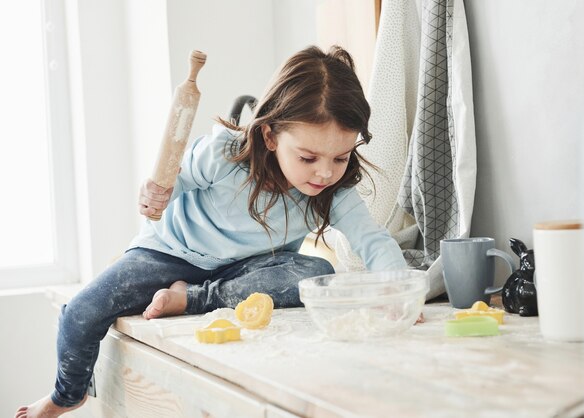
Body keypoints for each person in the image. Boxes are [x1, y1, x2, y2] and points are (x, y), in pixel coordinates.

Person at [15, 45, 407, 418]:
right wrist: (158, 192)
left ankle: (190, 299)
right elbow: (176, 181)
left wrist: (398, 289)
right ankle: (68, 395)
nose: (325, 172)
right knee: (81, 312)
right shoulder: (224, 153)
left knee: (317, 273)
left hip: (247, 271)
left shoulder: (333, 192)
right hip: (169, 254)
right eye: (308, 157)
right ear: (270, 136)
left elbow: (371, 240)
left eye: (340, 157)